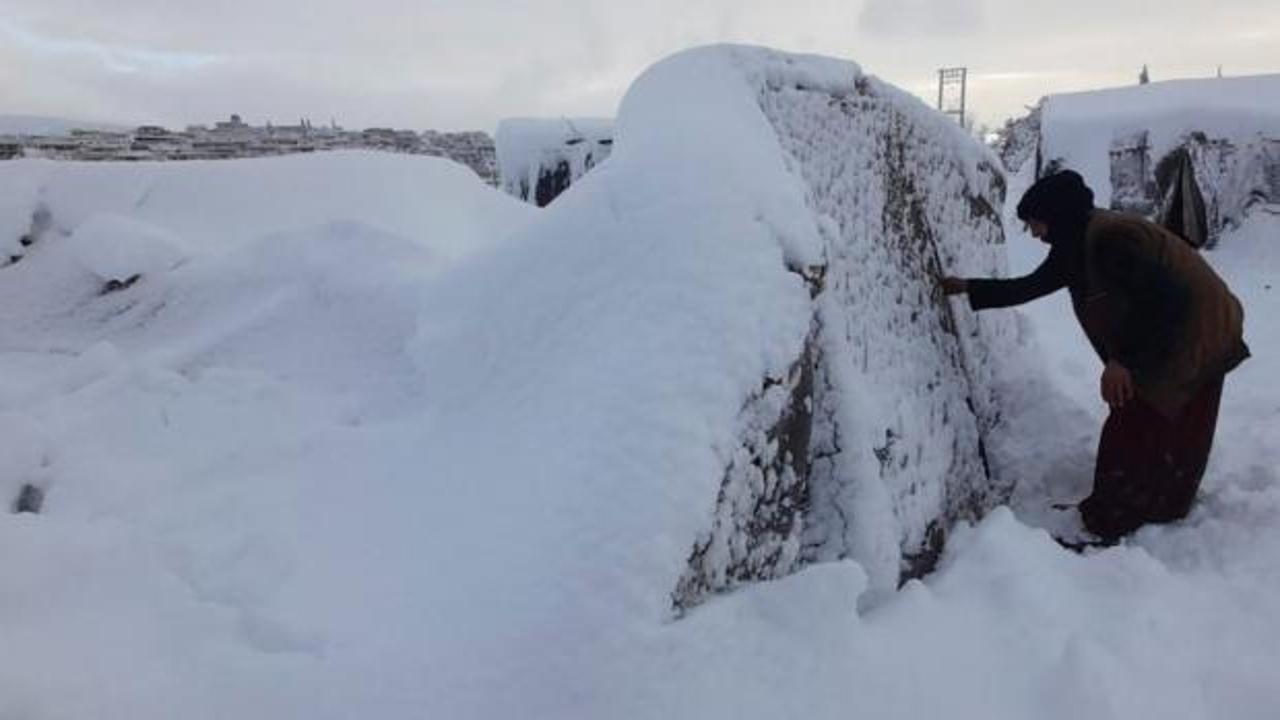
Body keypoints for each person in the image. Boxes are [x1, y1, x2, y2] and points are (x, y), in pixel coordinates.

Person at [941, 170, 1249, 543]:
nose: (1035, 233)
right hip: (1167, 335)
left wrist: (1124, 363)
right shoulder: (1076, 242)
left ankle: (1121, 517)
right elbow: (1032, 286)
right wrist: (968, 288)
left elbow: (1163, 302)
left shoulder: (1113, 240)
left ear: (1057, 215)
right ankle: (1125, 509)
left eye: (1036, 223)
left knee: (1154, 423)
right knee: (1143, 420)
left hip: (1198, 332)